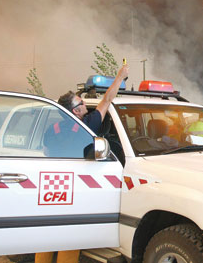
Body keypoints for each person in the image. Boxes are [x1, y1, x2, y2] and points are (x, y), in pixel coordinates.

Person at [36, 64, 129, 263]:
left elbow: (46, 153)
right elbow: (107, 100)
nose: (86, 105)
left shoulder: (52, 130)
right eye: (82, 103)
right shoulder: (87, 126)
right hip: (75, 191)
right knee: (70, 239)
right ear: (75, 111)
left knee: (47, 237)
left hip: (53, 189)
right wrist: (120, 76)